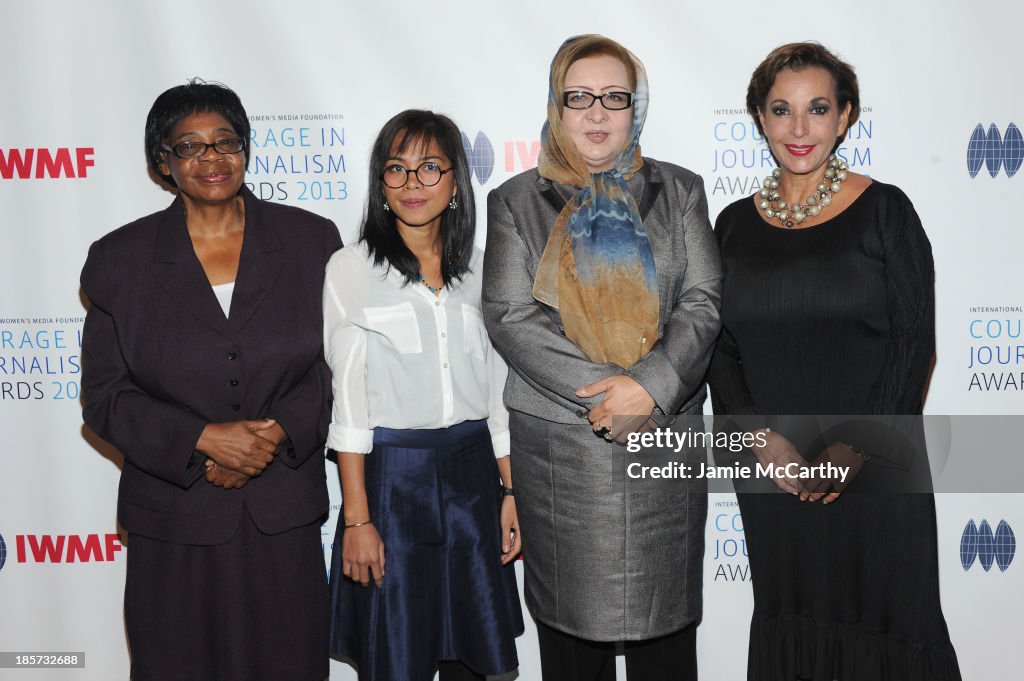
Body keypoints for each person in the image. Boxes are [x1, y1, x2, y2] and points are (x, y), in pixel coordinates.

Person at [708, 42, 961, 680]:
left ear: (845, 117)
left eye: (818, 109)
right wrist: (760, 439)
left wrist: (851, 451)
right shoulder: (732, 227)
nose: (800, 129)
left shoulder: (886, 213)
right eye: (782, 110)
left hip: (875, 469)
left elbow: (913, 346)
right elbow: (720, 350)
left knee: (889, 621)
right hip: (774, 474)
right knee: (791, 617)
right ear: (759, 119)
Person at [80, 79, 342, 681]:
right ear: (162, 162)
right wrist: (203, 438)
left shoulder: (311, 241)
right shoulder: (120, 259)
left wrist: (272, 434)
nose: (212, 159)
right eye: (190, 147)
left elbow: (336, 366)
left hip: (281, 510)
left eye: (226, 142)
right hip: (173, 517)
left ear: (247, 149)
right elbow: (105, 397)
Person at [482, 35, 721, 681]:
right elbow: (510, 316)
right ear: (557, 107)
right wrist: (612, 392)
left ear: (633, 108)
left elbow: (702, 301)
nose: (596, 113)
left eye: (613, 97)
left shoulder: (681, 191)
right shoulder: (513, 201)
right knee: (570, 642)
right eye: (579, 97)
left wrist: (650, 386)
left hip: (662, 439)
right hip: (563, 451)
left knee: (664, 635)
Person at [324, 109, 523, 681]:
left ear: (457, 181)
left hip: (473, 482)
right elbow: (349, 406)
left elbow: (497, 397)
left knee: (477, 662)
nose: (413, 184)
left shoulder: (482, 271)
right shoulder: (351, 269)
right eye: (397, 169)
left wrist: (510, 491)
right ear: (380, 184)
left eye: (430, 168)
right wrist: (358, 521)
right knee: (397, 660)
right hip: (391, 485)